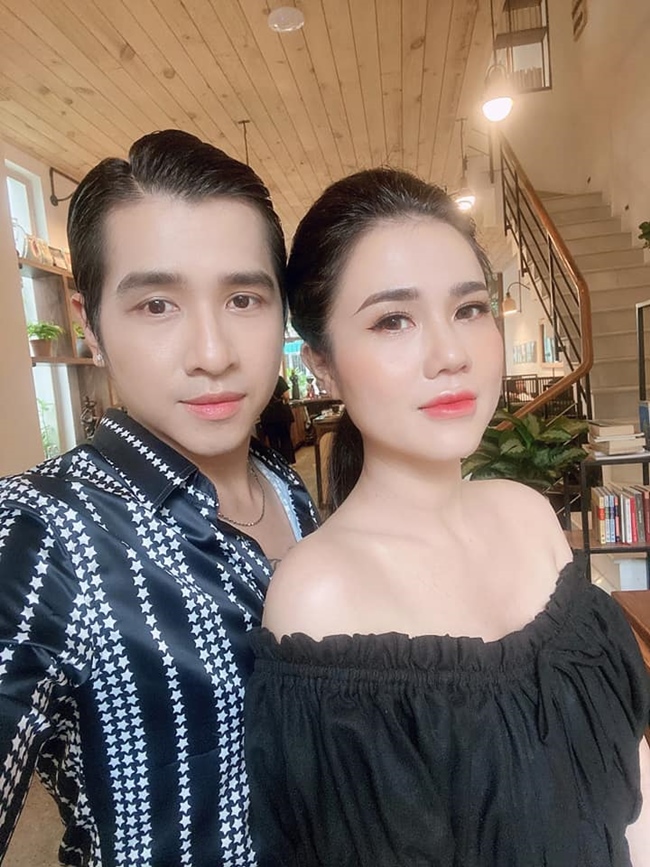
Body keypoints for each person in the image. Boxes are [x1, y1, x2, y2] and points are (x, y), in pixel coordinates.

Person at [245, 168, 650, 866]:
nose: (451, 354)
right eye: (392, 320)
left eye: (469, 308)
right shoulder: (320, 596)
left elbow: (628, 781)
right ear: (323, 364)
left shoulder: (530, 516)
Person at [0, 130, 319, 866]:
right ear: (90, 324)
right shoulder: (45, 531)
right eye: (155, 305)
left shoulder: (287, 485)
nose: (212, 353)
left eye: (243, 298)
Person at [259, 374, 295, 464]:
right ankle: (288, 462)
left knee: (273, 441)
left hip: (267, 415)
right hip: (281, 413)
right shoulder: (278, 379)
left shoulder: (259, 382)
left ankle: (278, 463)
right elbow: (286, 396)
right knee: (285, 439)